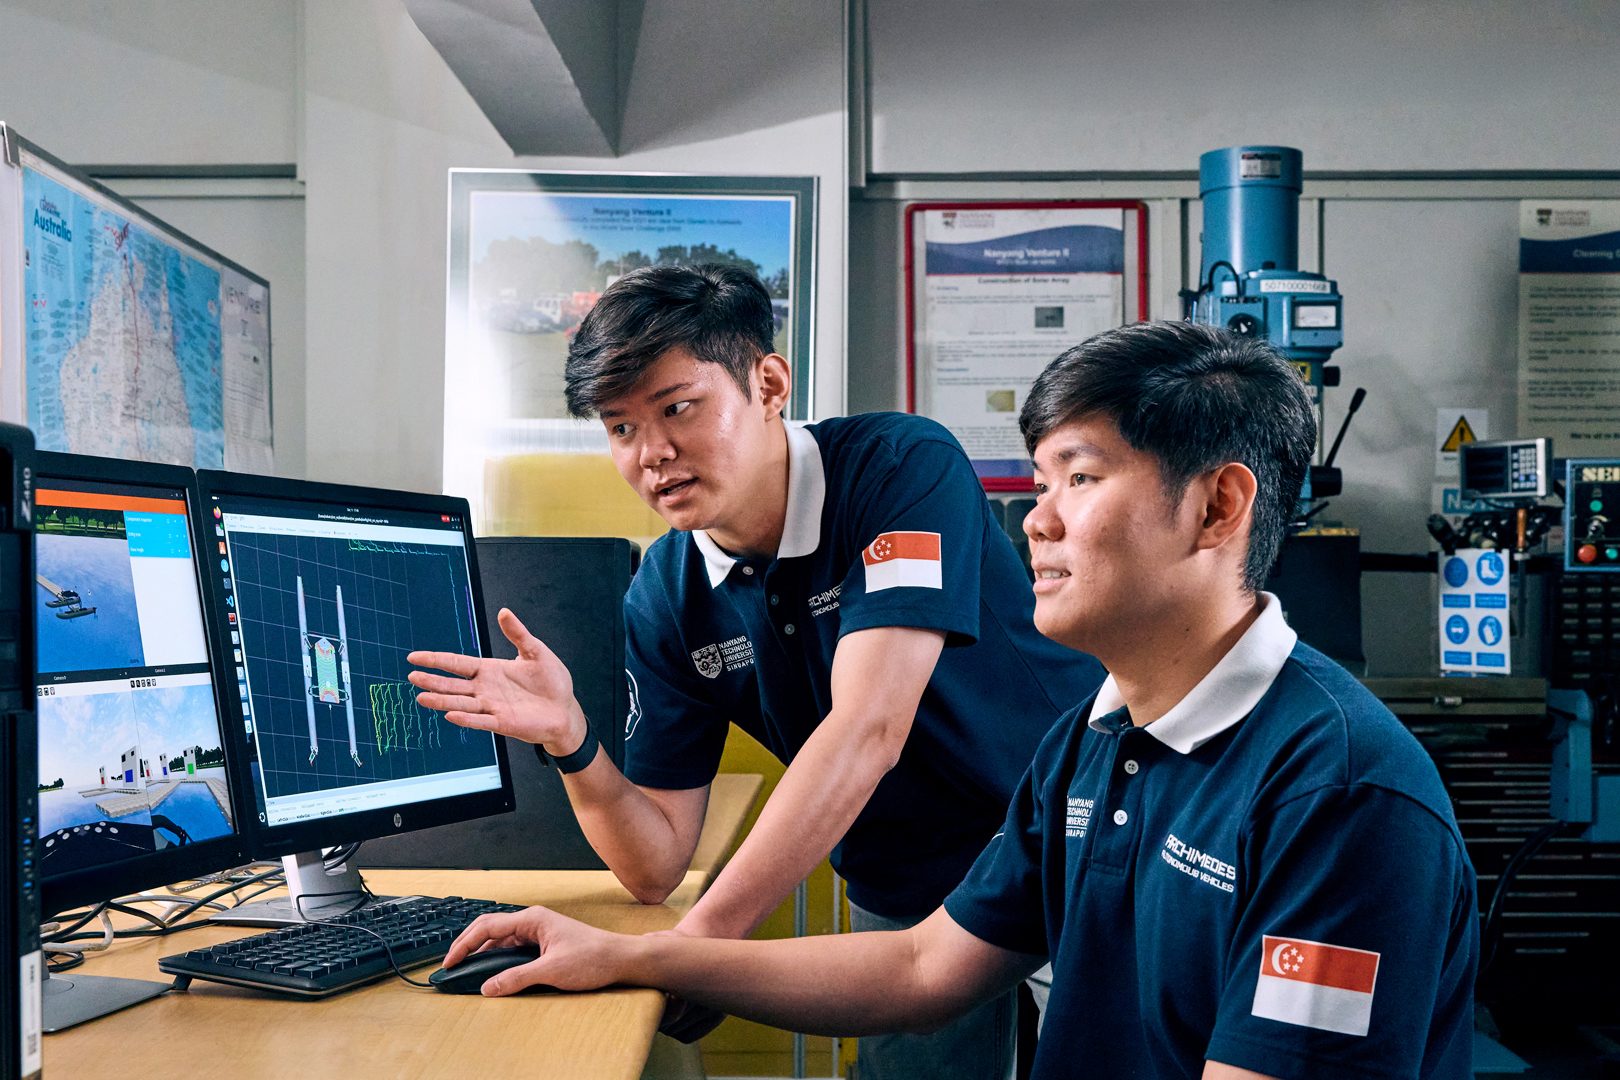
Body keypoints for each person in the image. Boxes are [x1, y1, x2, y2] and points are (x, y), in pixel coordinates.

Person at [438, 321, 1480, 1080]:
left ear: (1216, 505)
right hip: (939, 879)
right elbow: (925, 965)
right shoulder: (1093, 743)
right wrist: (634, 947)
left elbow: (869, 725)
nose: (1034, 520)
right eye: (1038, 481)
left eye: (1078, 478)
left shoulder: (1341, 796)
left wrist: (684, 956)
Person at [409, 264, 1102, 1077]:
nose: (653, 455)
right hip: (906, 880)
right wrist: (572, 743)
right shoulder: (667, 595)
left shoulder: (896, 466)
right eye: (621, 428)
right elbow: (656, 860)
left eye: (677, 408)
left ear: (768, 382)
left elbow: (868, 728)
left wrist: (692, 950)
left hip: (1071, 837)